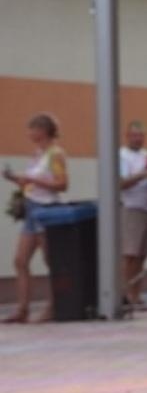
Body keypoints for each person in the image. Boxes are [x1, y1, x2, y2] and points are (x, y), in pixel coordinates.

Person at [3, 113, 68, 324]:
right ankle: (22, 309)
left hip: (47, 209)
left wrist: (32, 179)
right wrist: (16, 179)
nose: (29, 133)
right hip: (32, 208)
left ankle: (54, 305)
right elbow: (32, 182)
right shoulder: (37, 154)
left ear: (42, 131)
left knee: (51, 261)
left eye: (31, 129)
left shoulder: (55, 154)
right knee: (20, 260)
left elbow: (62, 184)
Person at [117, 120, 147, 309]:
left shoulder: (146, 155)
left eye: (141, 135)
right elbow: (122, 183)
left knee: (142, 255)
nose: (138, 139)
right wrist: (144, 174)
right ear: (127, 136)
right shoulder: (121, 155)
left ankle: (136, 294)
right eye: (134, 135)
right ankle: (123, 293)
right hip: (131, 207)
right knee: (130, 254)